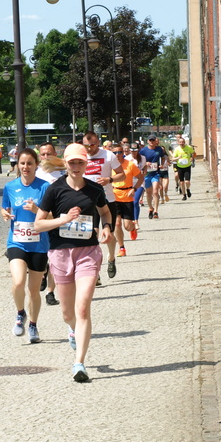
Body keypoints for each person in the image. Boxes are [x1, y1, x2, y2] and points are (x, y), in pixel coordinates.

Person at [33, 143, 112, 383]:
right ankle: (72, 329)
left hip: (88, 252)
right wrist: (63, 219)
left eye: (80, 162)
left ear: (86, 163)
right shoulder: (54, 190)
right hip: (60, 254)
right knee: (68, 313)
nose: (76, 166)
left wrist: (107, 227)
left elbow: (106, 212)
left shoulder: (94, 189)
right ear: (65, 164)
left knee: (83, 307)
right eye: (72, 162)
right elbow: (38, 225)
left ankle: (79, 363)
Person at [0, 148, 49, 343]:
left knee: (34, 291)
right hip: (17, 241)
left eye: (30, 163)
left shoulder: (45, 187)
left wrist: (38, 210)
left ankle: (33, 326)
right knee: (18, 282)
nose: (26, 167)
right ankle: (20, 313)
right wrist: (4, 213)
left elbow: (54, 216)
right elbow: (5, 207)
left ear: (36, 165)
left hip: (39, 244)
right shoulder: (10, 187)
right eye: (22, 163)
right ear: (17, 165)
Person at [81, 131, 125, 279]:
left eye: (92, 145)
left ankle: (111, 258)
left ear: (98, 142)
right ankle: (95, 271)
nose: (89, 148)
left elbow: (122, 174)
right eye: (86, 145)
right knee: (91, 234)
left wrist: (109, 180)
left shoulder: (108, 155)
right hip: (87, 201)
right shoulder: (80, 156)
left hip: (107, 199)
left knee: (109, 234)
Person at [35, 142, 66, 306]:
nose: (46, 157)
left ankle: (50, 292)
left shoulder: (64, 172)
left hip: (59, 219)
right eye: (43, 154)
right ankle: (43, 272)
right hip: (41, 219)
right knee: (43, 256)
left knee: (55, 257)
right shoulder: (36, 174)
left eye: (49, 153)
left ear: (56, 154)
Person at [110, 141, 142, 256]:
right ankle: (122, 248)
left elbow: (140, 178)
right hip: (114, 196)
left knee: (127, 226)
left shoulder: (130, 165)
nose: (118, 154)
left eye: (120, 152)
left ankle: (132, 228)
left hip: (127, 196)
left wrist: (134, 189)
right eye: (115, 152)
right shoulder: (109, 166)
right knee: (117, 224)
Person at [140, 134, 168, 219]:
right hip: (147, 173)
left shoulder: (159, 149)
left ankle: (156, 211)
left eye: (153, 140)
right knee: (149, 193)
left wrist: (162, 165)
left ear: (155, 141)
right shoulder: (143, 150)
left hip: (155, 173)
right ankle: (150, 208)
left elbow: (163, 158)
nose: (152, 142)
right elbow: (139, 160)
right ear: (147, 141)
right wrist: (145, 163)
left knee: (155, 191)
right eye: (150, 140)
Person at [173, 135, 196, 199]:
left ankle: (188, 189)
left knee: (187, 181)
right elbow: (173, 159)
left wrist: (192, 158)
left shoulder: (188, 147)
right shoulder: (177, 149)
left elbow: (194, 153)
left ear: (184, 142)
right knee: (182, 182)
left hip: (187, 166)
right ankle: (184, 195)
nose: (181, 143)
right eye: (180, 142)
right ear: (178, 143)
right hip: (180, 167)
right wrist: (178, 158)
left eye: (183, 142)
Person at [154, 136, 172, 203]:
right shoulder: (155, 153)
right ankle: (162, 198)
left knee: (165, 186)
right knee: (160, 187)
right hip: (158, 171)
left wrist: (169, 163)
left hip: (165, 171)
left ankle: (166, 194)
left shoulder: (165, 156)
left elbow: (169, 162)